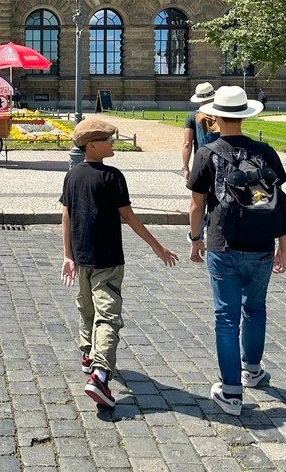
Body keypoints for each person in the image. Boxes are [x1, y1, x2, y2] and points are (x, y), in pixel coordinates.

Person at [186, 86, 286, 416]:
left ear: (215, 116)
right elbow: (280, 204)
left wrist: (195, 239)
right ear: (246, 116)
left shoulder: (207, 154)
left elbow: (196, 205)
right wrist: (283, 248)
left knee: (226, 317)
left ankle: (231, 392)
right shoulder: (265, 152)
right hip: (262, 244)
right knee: (255, 308)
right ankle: (252, 371)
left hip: (223, 243)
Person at [61, 117, 178, 409]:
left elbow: (66, 217)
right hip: (108, 258)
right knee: (108, 316)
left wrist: (68, 255)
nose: (112, 143)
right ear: (92, 146)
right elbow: (129, 217)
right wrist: (157, 246)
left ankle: (88, 352)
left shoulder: (72, 175)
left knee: (86, 308)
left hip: (83, 257)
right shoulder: (113, 176)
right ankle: (100, 375)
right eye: (107, 140)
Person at [182, 82, 216, 180]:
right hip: (223, 159)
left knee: (199, 193)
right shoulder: (221, 116)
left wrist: (185, 168)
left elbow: (187, 144)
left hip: (202, 159)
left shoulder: (192, 117)